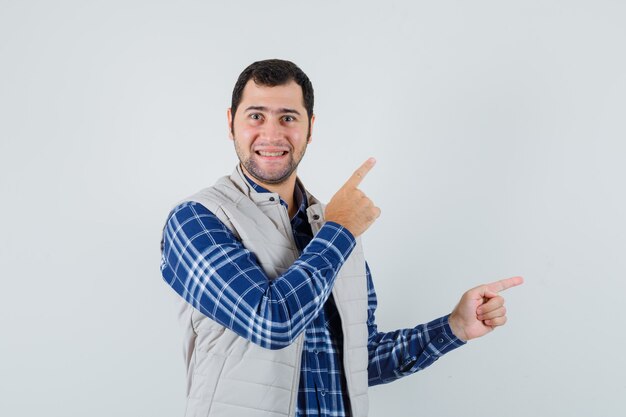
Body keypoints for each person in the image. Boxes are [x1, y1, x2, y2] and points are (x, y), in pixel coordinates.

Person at [160, 59, 523, 417]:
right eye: (256, 116)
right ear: (231, 123)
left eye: (288, 117)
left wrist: (453, 327)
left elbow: (359, 360)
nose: (271, 134)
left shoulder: (329, 226)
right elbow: (271, 323)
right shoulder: (196, 219)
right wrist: (342, 229)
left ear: (310, 127)